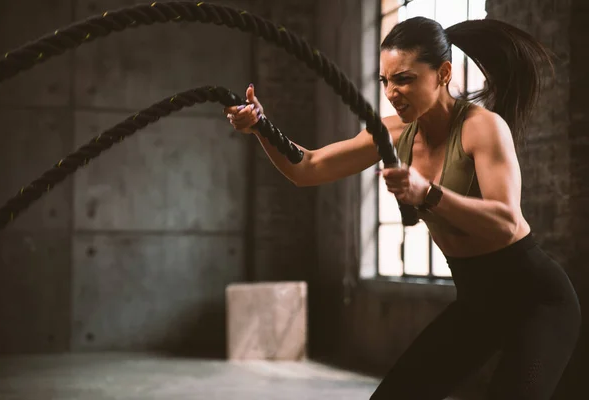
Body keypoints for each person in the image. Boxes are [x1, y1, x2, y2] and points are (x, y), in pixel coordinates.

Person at [224, 16, 581, 400]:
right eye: (386, 81)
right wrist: (261, 126)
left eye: (405, 79)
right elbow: (308, 168)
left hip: (537, 300)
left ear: (443, 73)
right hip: (478, 303)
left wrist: (428, 193)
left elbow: (507, 224)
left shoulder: (482, 127)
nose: (392, 92)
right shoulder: (391, 132)